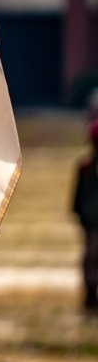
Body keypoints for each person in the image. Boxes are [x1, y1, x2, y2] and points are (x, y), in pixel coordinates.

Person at [72, 119, 98, 312]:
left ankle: (90, 294)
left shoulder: (85, 165)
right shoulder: (86, 165)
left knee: (90, 256)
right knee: (91, 255)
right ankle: (90, 295)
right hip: (91, 220)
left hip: (89, 219)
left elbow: (77, 195)